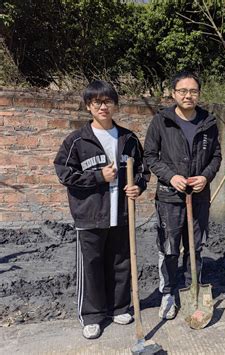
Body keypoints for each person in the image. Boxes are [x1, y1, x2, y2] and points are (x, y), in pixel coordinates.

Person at [54, 80, 150, 339]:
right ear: (88, 106)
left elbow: (142, 170)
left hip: (121, 213)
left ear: (115, 104)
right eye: (97, 102)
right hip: (90, 214)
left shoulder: (128, 138)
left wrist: (138, 187)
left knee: (121, 262)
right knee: (92, 266)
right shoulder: (77, 141)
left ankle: (119, 307)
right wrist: (98, 177)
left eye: (107, 101)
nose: (103, 106)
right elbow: (64, 173)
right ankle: (92, 316)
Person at [144, 71, 221, 320]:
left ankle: (192, 290)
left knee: (195, 247)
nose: (188, 96)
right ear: (173, 93)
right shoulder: (161, 121)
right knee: (169, 248)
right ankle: (168, 292)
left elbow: (216, 156)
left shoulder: (208, 121)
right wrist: (171, 177)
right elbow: (150, 156)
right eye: (183, 91)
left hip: (198, 197)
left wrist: (205, 177)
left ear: (199, 93)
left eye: (193, 91)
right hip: (170, 197)